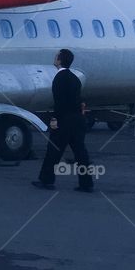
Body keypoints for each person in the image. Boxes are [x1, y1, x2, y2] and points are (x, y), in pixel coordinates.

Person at [33, 48, 94, 192]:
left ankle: (46, 180)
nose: (54, 59)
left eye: (56, 57)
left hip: (64, 120)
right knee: (80, 153)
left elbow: (59, 102)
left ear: (59, 60)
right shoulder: (74, 78)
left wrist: (54, 119)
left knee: (53, 152)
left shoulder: (59, 78)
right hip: (77, 119)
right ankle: (86, 183)